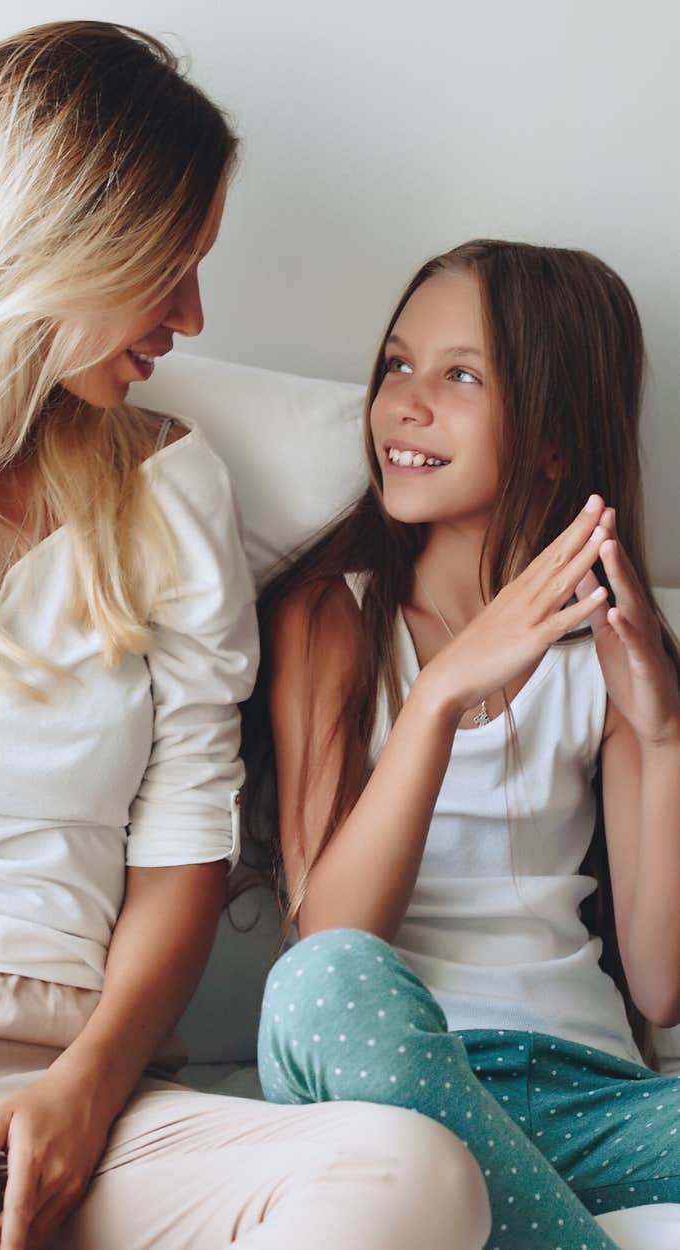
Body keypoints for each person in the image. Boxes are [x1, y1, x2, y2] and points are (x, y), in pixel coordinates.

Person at [0, 21, 492, 1250]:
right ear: (52, 242)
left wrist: (84, 1092)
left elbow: (183, 843)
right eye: (168, 265)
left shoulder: (174, 488)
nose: (191, 316)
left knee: (416, 1177)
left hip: (65, 1077)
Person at [251, 239, 680, 1250]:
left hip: (585, 1091)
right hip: (391, 1078)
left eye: (461, 376)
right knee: (318, 982)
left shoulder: (609, 651)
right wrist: (438, 693)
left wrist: (661, 736)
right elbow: (328, 936)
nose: (406, 401)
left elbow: (660, 982)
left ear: (552, 441)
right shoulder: (331, 619)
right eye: (397, 364)